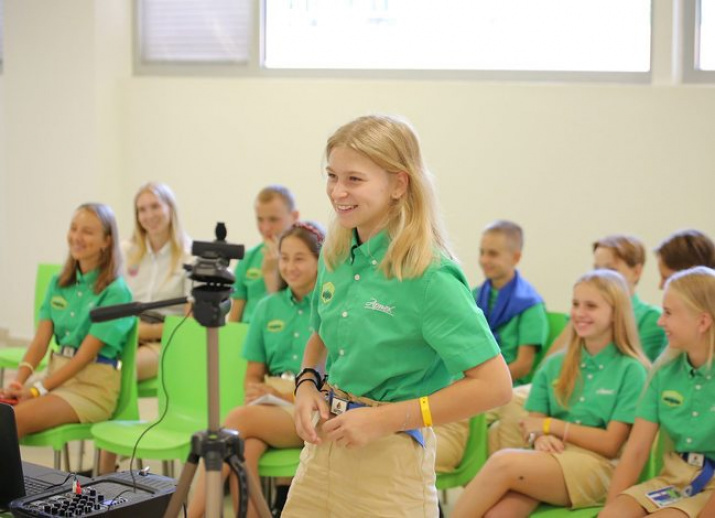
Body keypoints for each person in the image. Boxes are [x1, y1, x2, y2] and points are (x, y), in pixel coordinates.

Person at [284, 115, 512, 517]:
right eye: (332, 176)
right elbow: (321, 335)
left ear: (399, 184)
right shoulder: (337, 255)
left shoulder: (430, 275)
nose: (338, 191)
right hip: (322, 451)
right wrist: (305, 384)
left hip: (390, 464)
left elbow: (494, 386)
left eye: (354, 179)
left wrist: (384, 420)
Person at [453, 270, 650, 518]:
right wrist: (539, 437)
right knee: (499, 514)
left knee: (503, 462)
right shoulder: (555, 364)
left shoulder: (632, 370)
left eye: (591, 306)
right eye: (575, 304)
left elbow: (610, 444)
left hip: (598, 467)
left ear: (616, 313)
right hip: (550, 458)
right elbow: (533, 422)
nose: (579, 313)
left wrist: (550, 426)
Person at [187, 221, 325, 518]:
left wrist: (282, 395)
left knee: (236, 422)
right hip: (271, 406)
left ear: (320, 260)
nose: (290, 267)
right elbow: (252, 374)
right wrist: (257, 391)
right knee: (245, 448)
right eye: (284, 258)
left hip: (311, 409)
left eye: (299, 258)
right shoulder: (266, 306)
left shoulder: (330, 307)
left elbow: (331, 384)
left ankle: (193, 514)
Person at [0, 203, 133, 437]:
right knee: (4, 415)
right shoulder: (58, 282)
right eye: (73, 228)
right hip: (56, 376)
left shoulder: (116, 291)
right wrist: (18, 383)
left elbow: (84, 357)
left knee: (9, 422)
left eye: (87, 232)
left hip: (90, 389)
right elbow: (40, 342)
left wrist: (37, 390)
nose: (76, 237)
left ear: (107, 241)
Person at [601, 266, 715, 518]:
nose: (660, 321)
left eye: (668, 313)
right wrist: (608, 509)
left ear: (703, 321)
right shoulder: (664, 371)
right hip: (674, 479)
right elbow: (636, 450)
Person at [122, 182, 192, 381]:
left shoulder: (190, 256)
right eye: (142, 210)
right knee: (90, 366)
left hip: (165, 340)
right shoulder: (126, 252)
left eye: (155, 206)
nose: (149, 215)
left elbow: (190, 323)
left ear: (171, 208)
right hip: (127, 332)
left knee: (123, 371)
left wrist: (146, 331)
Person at [473, 220, 548, 385]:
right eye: (482, 252)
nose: (484, 259)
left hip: (508, 386)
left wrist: (486, 383)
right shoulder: (474, 295)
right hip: (473, 379)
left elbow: (524, 365)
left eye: (493, 254)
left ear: (516, 257)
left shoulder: (530, 305)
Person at [227, 185, 299, 324]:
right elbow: (234, 319)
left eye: (273, 219)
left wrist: (271, 273)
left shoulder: (304, 260)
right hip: (247, 331)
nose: (265, 228)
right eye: (260, 219)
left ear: (294, 217)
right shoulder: (248, 258)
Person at [592, 235, 666, 361]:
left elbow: (636, 365)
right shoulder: (584, 311)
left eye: (611, 270)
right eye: (596, 269)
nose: (600, 278)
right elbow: (560, 359)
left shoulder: (651, 317)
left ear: (636, 272)